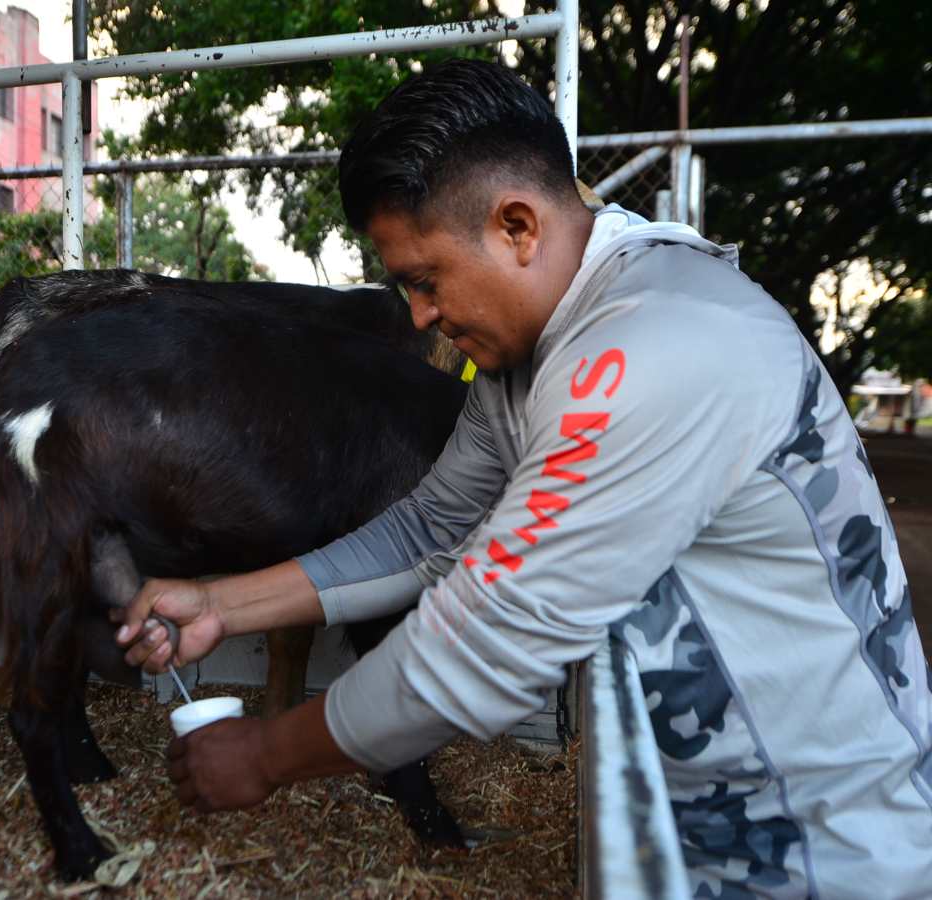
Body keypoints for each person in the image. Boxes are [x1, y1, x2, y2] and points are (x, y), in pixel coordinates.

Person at [113, 58, 932, 895]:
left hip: (829, 854)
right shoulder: (529, 364)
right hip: (705, 837)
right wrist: (222, 603)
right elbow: (434, 527)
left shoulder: (655, 343)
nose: (420, 316)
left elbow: (482, 642)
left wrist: (263, 754)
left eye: (424, 281)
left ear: (515, 227)